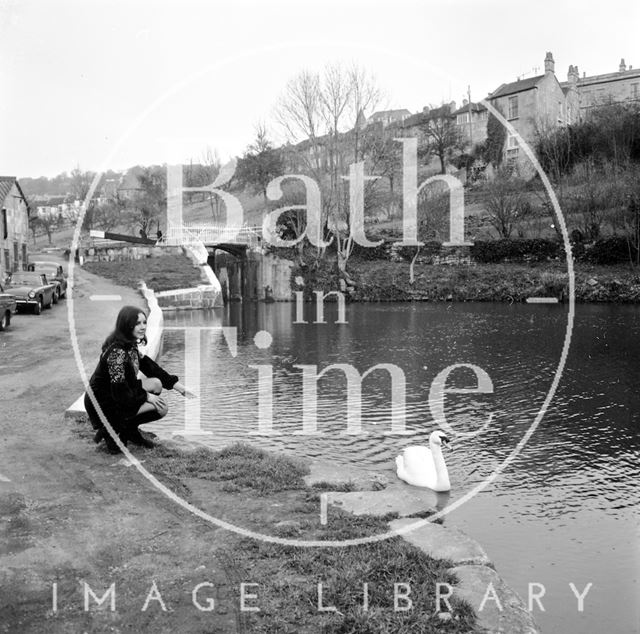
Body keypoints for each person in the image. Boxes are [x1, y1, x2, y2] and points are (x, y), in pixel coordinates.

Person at [84, 305, 190, 453]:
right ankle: (109, 428)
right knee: (117, 450)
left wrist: (178, 386)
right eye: (137, 323)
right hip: (103, 402)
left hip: (118, 395)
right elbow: (120, 393)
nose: (142, 327)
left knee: (156, 385)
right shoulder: (117, 353)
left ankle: (130, 429)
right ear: (127, 326)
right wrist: (146, 396)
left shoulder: (130, 345)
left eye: (144, 322)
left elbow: (150, 367)